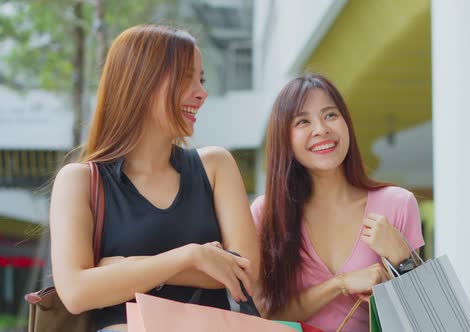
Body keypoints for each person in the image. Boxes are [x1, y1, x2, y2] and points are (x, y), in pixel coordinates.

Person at [49, 25, 259, 332]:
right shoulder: (79, 182)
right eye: (186, 77)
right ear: (140, 82)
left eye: (201, 79)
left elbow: (246, 275)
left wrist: (121, 268)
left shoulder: (216, 166)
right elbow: (76, 293)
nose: (202, 93)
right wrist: (191, 256)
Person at [251, 74, 424, 332]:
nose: (321, 129)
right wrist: (340, 284)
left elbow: (421, 313)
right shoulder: (267, 213)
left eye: (330, 115)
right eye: (303, 121)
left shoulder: (397, 204)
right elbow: (263, 312)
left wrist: (402, 258)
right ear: (284, 138)